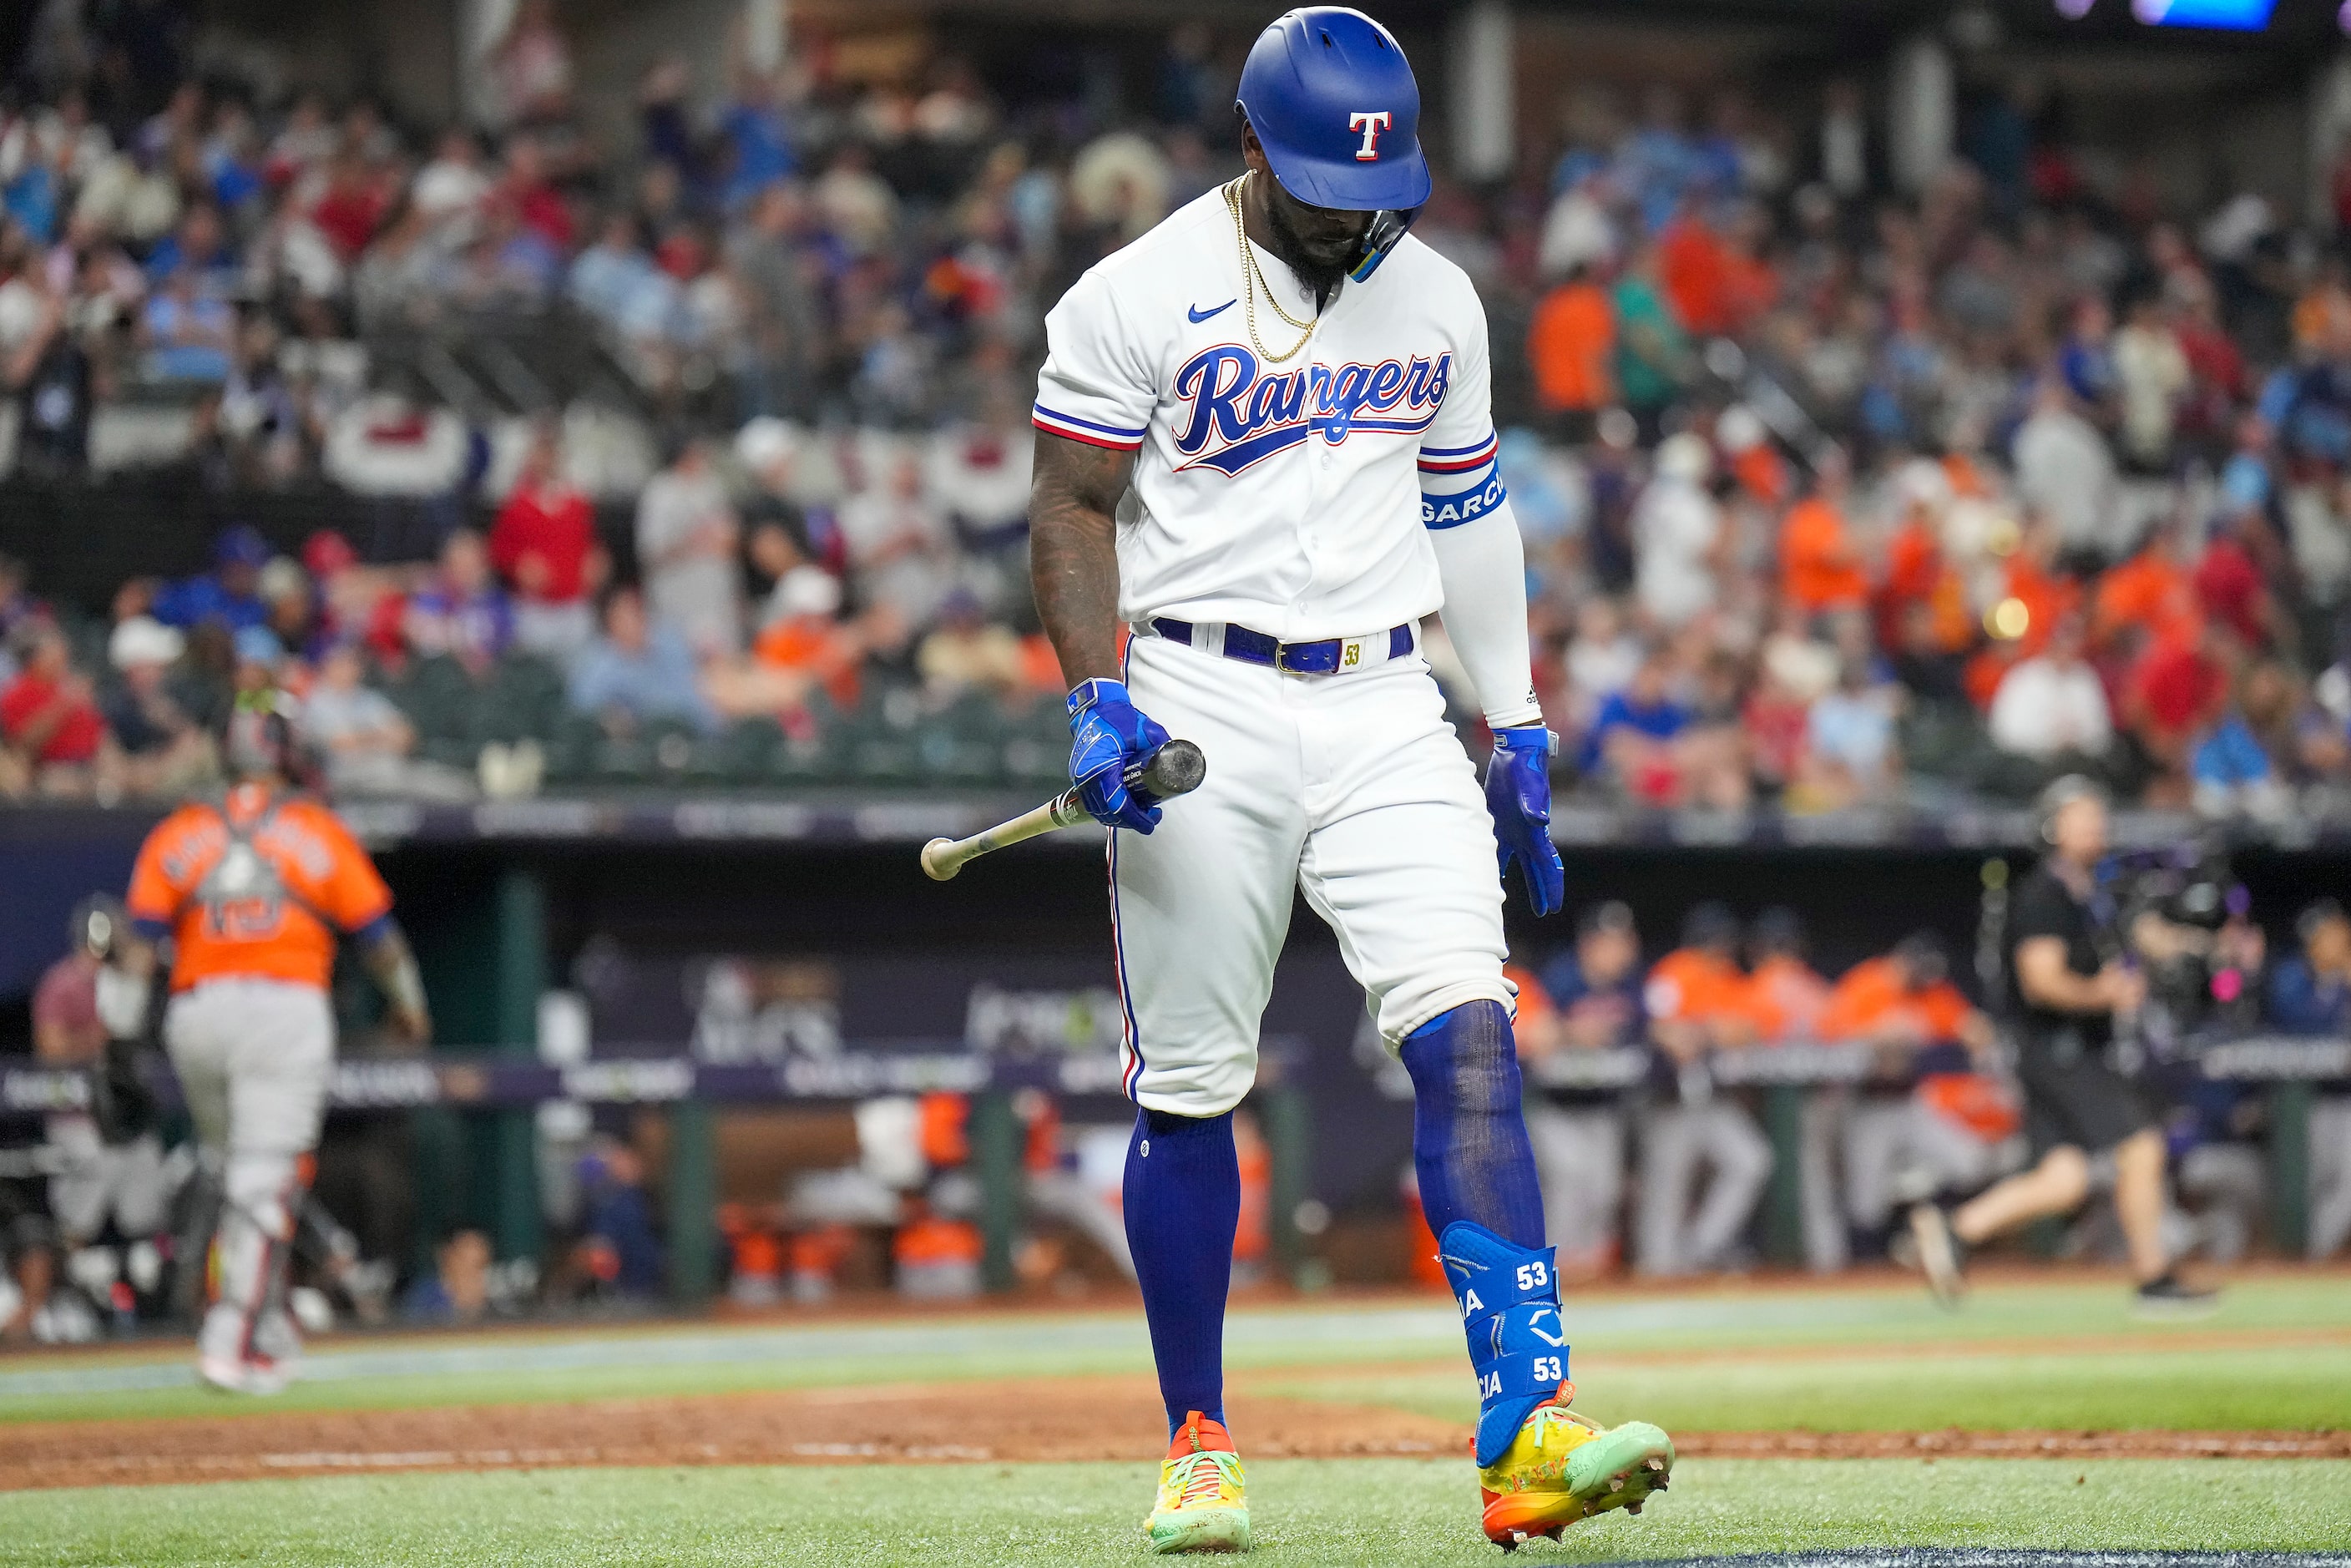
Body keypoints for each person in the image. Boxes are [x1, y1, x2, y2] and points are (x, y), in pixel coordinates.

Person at [1024, 11, 1672, 1552]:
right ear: (1253, 148)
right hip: (1199, 690)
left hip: (1387, 693)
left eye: (1377, 183)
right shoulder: (1135, 293)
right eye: (1323, 183)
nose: (1355, 212)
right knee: (1190, 1087)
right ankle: (1197, 1439)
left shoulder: (1438, 296)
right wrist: (1097, 696)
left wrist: (1512, 716)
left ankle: (1525, 1424)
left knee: (1468, 1029)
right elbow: (1069, 504)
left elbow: (1473, 513)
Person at [119, 691, 432, 1392]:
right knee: (266, 1180)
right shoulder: (314, 829)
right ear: (285, 751)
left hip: (196, 1015)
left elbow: (138, 944)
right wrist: (410, 1008)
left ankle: (264, 1324)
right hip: (283, 1009)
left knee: (236, 1172)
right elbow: (379, 941)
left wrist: (115, 1038)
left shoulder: (183, 829)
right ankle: (228, 1336)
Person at [1909, 777, 2213, 1313]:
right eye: (2083, 815)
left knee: (2064, 1180)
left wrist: (2210, 945)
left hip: (2060, 1050)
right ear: (2052, 828)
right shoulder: (2042, 895)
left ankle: (1954, 1230)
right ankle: (2153, 1277)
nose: (2097, 824)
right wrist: (2104, 994)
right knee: (2141, 1147)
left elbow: (2144, 934)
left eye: (2099, 814)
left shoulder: (2092, 890)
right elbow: (2040, 979)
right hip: (2057, 1048)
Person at [1635, 903, 1774, 1277]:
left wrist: (1703, 1030)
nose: (1722, 950)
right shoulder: (1674, 971)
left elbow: (1750, 1028)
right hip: (1670, 1099)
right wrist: (1708, 1030)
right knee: (1666, 1189)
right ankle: (1658, 1271)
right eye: (1717, 942)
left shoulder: (1729, 977)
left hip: (1713, 1099)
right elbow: (1664, 1031)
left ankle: (1701, 1250)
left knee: (1751, 1161)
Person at [1522, 902, 1645, 1277]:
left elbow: (1646, 1035)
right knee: (1569, 1183)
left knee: (1605, 1191)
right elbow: (1535, 1032)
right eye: (1610, 941)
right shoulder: (1561, 978)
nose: (1619, 949)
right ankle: (1556, 1273)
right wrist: (1570, 1032)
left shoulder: (1630, 985)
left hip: (1601, 1107)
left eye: (1623, 941)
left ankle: (1590, 1271)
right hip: (1555, 1105)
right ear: (1590, 944)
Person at [2268, 899, 2351, 1259]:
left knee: (2347, 1184)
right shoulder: (2292, 975)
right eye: (2330, 934)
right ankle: (2301, 1260)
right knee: (2313, 1184)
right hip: (2303, 1101)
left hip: (2345, 1098)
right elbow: (2296, 1024)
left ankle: (2315, 1258)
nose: (2340, 940)